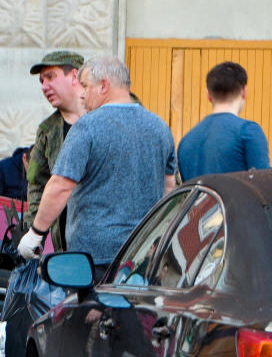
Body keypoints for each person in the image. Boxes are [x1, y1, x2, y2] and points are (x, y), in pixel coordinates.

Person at [18, 55, 176, 271]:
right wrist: (159, 236)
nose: (82, 94)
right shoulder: (160, 127)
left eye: (86, 86)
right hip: (144, 254)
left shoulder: (86, 127)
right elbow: (169, 188)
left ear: (104, 86)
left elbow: (61, 185)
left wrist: (35, 233)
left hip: (94, 259)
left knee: (93, 306)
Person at [24, 50, 86, 251]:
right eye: (41, 81)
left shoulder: (110, 115)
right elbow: (37, 185)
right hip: (69, 246)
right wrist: (32, 234)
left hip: (117, 242)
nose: (44, 86)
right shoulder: (47, 132)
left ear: (75, 76)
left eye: (51, 77)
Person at [177, 61, 270, 180]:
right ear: (244, 92)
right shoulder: (248, 131)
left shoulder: (186, 141)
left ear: (208, 95)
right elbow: (264, 183)